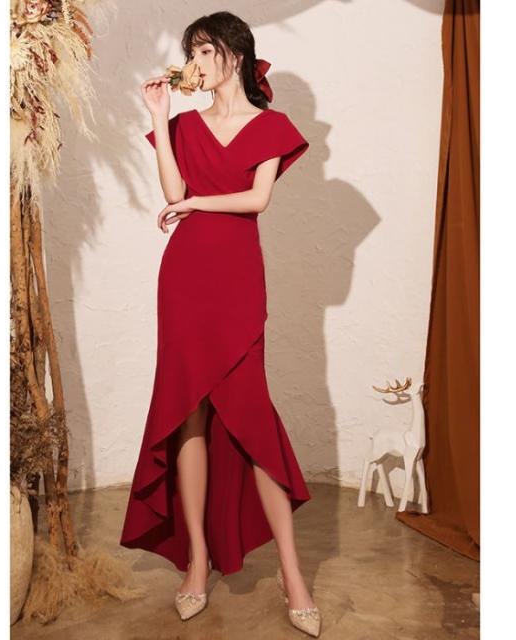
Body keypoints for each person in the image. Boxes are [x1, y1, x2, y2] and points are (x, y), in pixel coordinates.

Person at [119, 11, 321, 638]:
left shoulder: (272, 126)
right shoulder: (185, 124)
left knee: (252, 419)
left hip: (236, 280)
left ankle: (292, 574)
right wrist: (159, 117)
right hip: (184, 280)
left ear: (233, 53)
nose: (194, 65)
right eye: (191, 54)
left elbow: (257, 199)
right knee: (189, 414)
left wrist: (196, 203)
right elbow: (172, 189)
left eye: (203, 52)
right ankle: (197, 563)